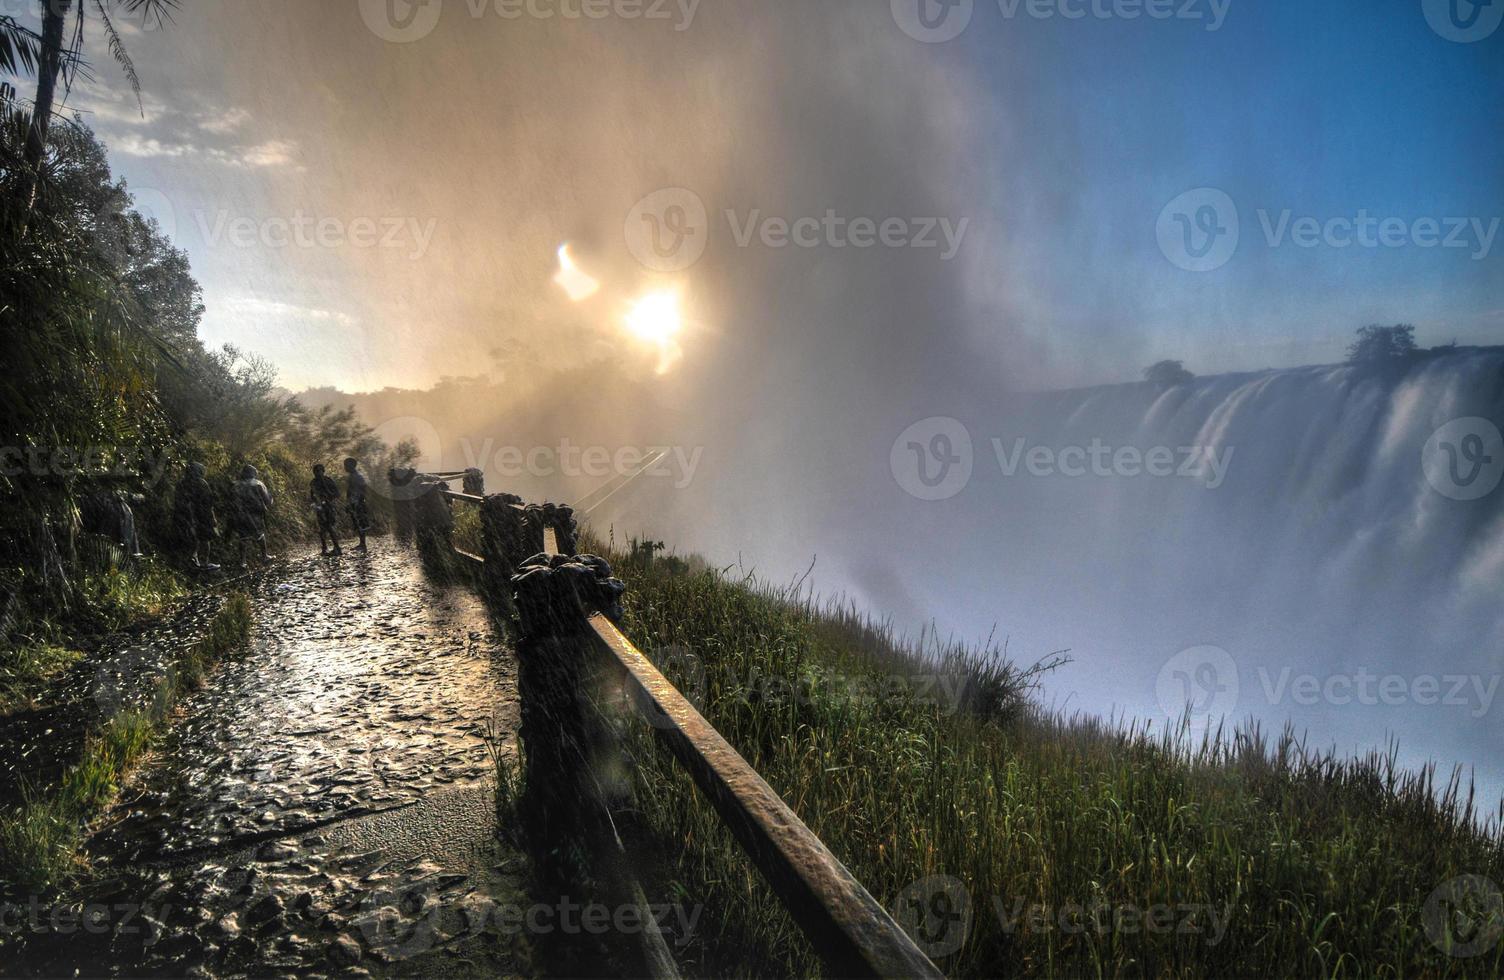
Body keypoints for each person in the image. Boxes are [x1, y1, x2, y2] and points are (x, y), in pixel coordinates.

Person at [173, 462, 218, 571]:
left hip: (183, 515)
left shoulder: (181, 483)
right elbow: (208, 502)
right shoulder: (201, 483)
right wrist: (212, 518)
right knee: (204, 539)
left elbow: (178, 499)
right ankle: (204, 563)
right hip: (201, 516)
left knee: (190, 538)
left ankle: (191, 561)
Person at [230, 464, 274, 561]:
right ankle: (264, 556)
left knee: (243, 537)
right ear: (253, 473)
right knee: (260, 534)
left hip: (240, 514)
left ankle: (243, 561)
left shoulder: (235, 484)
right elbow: (267, 499)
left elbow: (231, 500)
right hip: (255, 514)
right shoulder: (258, 484)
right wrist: (270, 501)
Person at [310, 463, 342, 555]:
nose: (318, 473)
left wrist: (328, 494)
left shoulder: (328, 481)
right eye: (316, 471)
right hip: (320, 507)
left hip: (329, 507)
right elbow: (312, 495)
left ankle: (337, 548)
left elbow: (337, 494)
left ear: (323, 471)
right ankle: (324, 548)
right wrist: (315, 502)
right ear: (314, 472)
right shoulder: (313, 482)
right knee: (322, 528)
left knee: (330, 527)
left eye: (320, 471)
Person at [343, 456, 370, 551]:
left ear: (351, 465)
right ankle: (361, 544)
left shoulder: (357, 476)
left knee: (360, 523)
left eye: (346, 465)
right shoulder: (352, 476)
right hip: (354, 502)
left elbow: (364, 490)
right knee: (357, 523)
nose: (344, 467)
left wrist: (360, 502)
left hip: (357, 502)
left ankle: (363, 545)